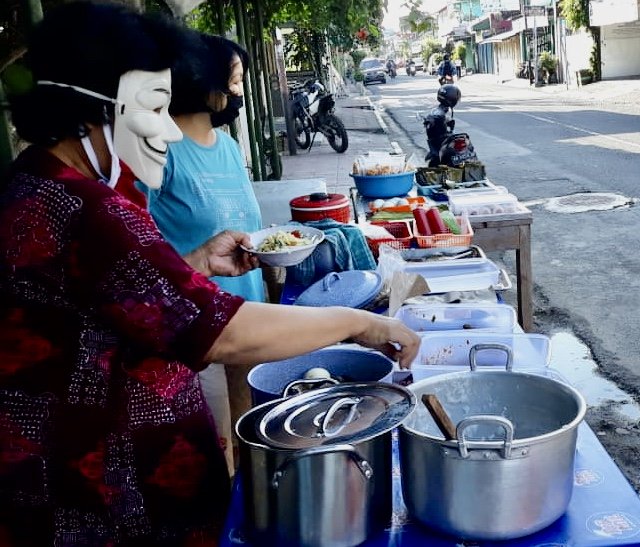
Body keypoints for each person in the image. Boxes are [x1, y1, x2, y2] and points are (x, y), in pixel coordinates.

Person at [0, 3, 420, 545]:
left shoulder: (37, 183)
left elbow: (101, 304)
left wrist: (193, 264)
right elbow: (226, 333)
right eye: (152, 109)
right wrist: (359, 324)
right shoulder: (87, 207)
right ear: (95, 108)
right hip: (98, 494)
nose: (167, 133)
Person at [143, 32, 262, 477]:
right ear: (197, 79)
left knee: (253, 446)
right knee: (216, 459)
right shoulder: (159, 153)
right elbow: (140, 250)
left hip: (248, 317)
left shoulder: (229, 148)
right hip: (196, 332)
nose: (239, 93)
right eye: (233, 81)